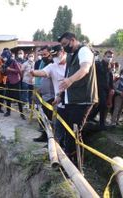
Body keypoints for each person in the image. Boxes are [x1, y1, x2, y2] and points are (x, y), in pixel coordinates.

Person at [57, 32, 98, 163]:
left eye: (65, 44)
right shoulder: (71, 55)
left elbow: (85, 69)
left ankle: (76, 165)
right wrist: (61, 95)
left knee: (74, 132)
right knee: (69, 130)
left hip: (82, 99)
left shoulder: (84, 50)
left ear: (73, 40)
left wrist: (70, 81)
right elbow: (67, 75)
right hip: (71, 99)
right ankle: (70, 160)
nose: (63, 47)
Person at [31, 45, 67, 148]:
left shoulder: (68, 66)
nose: (45, 56)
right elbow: (41, 74)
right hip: (45, 96)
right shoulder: (47, 64)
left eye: (45, 54)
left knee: (56, 122)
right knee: (45, 119)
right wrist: (33, 74)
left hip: (54, 98)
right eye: (42, 55)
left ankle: (56, 143)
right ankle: (47, 138)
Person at [88, 50, 114, 131]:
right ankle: (101, 124)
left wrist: (112, 88)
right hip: (98, 88)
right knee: (102, 105)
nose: (109, 58)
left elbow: (110, 78)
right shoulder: (98, 64)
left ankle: (90, 117)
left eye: (111, 57)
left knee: (101, 105)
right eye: (108, 56)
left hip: (106, 89)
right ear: (104, 56)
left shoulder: (109, 67)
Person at [33, 46, 55, 142]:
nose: (43, 57)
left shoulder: (54, 64)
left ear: (51, 53)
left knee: (49, 117)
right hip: (42, 94)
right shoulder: (43, 62)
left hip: (51, 96)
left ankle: (49, 138)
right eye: (41, 55)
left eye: (45, 54)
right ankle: (44, 135)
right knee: (43, 116)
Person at [2, 48, 25, 120]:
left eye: (5, 56)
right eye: (3, 57)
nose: (4, 58)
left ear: (8, 56)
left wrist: (10, 69)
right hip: (8, 82)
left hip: (16, 82)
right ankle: (8, 111)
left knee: (18, 98)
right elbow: (4, 73)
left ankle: (22, 113)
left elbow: (19, 70)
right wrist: (3, 70)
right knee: (8, 98)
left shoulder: (14, 62)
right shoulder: (5, 63)